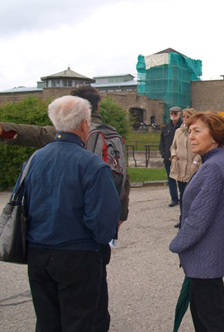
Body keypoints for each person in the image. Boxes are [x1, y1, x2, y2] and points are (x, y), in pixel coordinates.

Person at [0, 85, 129, 332]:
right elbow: (102, 222)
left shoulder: (34, 159)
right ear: (84, 124)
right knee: (82, 321)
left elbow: (23, 202)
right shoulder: (93, 164)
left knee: (48, 322)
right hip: (78, 255)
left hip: (38, 254)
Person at [169, 111, 224, 332]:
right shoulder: (218, 160)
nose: (191, 136)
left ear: (215, 135)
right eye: (189, 131)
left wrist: (177, 244)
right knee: (208, 317)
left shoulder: (214, 167)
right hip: (209, 257)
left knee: (209, 321)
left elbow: (198, 219)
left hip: (206, 258)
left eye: (197, 131)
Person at [169, 108, 201, 228]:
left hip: (193, 167)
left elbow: (202, 147)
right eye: (184, 117)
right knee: (183, 194)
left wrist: (195, 161)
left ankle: (192, 219)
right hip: (180, 166)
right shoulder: (178, 131)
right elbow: (173, 146)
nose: (185, 119)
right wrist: (174, 157)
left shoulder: (197, 131)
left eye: (188, 117)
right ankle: (183, 218)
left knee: (193, 194)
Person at [159, 106, 183, 207]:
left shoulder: (183, 127)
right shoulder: (166, 128)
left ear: (179, 114)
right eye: (172, 113)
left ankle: (183, 198)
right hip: (168, 159)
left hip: (180, 158)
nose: (173, 115)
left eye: (175, 113)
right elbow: (162, 143)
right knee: (171, 180)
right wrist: (164, 154)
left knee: (182, 179)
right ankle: (174, 198)